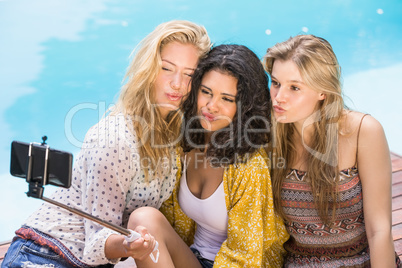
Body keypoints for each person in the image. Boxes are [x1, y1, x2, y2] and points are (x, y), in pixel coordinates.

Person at [1, 20, 211, 268]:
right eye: (167, 68)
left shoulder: (170, 135)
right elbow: (95, 244)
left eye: (189, 74)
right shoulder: (116, 138)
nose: (177, 83)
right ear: (149, 68)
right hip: (45, 253)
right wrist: (127, 246)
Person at [127, 44, 289, 268]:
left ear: (244, 107)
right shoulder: (182, 147)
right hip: (191, 258)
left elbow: (246, 257)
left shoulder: (249, 166)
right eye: (206, 92)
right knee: (143, 220)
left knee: (144, 220)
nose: (211, 107)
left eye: (227, 99)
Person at [263, 34, 401, 267]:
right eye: (275, 83)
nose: (278, 97)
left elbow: (379, 231)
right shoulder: (266, 136)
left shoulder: (363, 132)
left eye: (294, 87)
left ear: (323, 92)